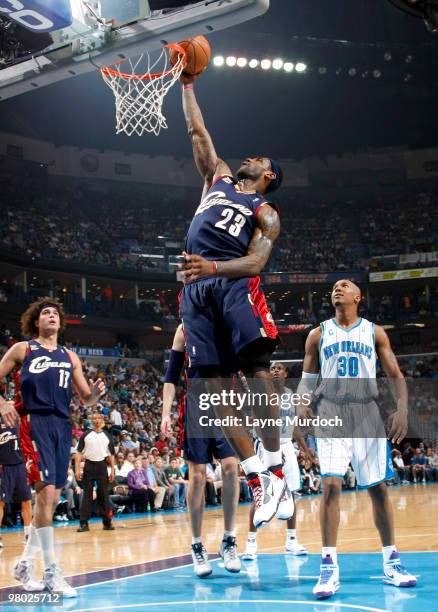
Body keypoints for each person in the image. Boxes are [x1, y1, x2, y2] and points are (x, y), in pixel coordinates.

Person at [179, 69, 290, 533]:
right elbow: (198, 132)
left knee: (257, 374)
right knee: (214, 390)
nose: (250, 157)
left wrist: (214, 268)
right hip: (195, 292)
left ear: (268, 175)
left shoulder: (265, 213)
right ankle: (259, 479)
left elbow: (256, 265)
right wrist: (187, 84)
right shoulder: (217, 178)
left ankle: (280, 467)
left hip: (231, 284)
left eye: (260, 158)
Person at [298, 279, 416, 599]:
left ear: (357, 297)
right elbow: (308, 379)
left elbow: (395, 375)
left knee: (377, 489)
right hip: (332, 412)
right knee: (331, 486)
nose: (338, 288)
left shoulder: (375, 332)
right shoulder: (318, 334)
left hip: (367, 413)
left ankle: (391, 561)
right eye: (335, 286)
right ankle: (328, 566)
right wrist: (302, 404)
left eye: (345, 285)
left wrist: (402, 409)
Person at [0, 297, 106, 597]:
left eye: (55, 313)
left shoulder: (70, 356)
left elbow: (85, 398)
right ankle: (51, 572)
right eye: (45, 313)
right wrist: (2, 401)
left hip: (62, 425)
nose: (51, 316)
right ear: (36, 321)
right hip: (33, 422)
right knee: (45, 494)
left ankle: (24, 564)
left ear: (60, 322)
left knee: (52, 499)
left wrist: (96, 394)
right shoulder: (23, 349)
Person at [162, 324, 240, 577]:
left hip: (226, 401)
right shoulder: (184, 330)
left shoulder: (228, 323)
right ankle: (197, 544)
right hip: (196, 405)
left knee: (230, 468)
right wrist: (165, 413)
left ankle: (229, 540)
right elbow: (171, 375)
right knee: (196, 476)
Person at [242, 362, 308, 560]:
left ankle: (291, 541)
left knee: (291, 495)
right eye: (272, 368)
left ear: (286, 373)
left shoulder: (290, 395)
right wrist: (274, 449)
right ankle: (251, 544)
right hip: (266, 446)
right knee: (260, 497)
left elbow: (293, 426)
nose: (275, 371)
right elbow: (257, 422)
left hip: (288, 446)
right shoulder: (261, 393)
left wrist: (305, 449)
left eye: (279, 368)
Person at [75, 412, 115, 532]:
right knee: (87, 495)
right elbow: (78, 453)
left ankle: (107, 522)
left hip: (102, 466)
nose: (96, 420)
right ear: (92, 421)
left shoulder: (107, 435)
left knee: (104, 494)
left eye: (98, 418)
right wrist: (77, 469)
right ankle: (84, 523)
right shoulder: (86, 435)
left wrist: (112, 470)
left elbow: (112, 454)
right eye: (94, 418)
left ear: (102, 420)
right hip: (89, 466)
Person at [0, 417, 33, 549]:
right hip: (3, 467)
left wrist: (29, 461)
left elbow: (28, 443)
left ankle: (29, 535)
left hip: (20, 466)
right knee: (1, 502)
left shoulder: (20, 422)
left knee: (26, 500)